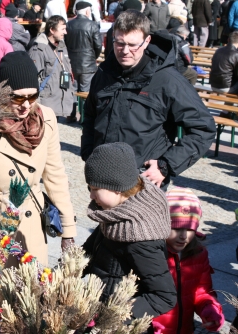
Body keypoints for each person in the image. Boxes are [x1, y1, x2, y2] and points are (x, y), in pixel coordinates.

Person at [81, 10, 216, 190]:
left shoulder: (168, 80)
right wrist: (89, 153)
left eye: (132, 44)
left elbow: (203, 128)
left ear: (147, 41)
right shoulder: (105, 73)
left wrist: (165, 165)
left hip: (143, 182)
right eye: (119, 43)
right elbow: (90, 115)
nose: (125, 51)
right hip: (103, 178)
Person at [0, 51, 77, 267]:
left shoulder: (46, 118)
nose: (26, 105)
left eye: (32, 97)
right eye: (18, 97)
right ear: (3, 93)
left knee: (30, 291)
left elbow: (55, 175)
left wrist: (68, 230)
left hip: (30, 219)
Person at [82, 142, 177, 320]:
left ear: (117, 187)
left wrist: (115, 317)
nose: (91, 196)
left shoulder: (140, 237)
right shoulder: (115, 213)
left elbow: (164, 296)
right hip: (95, 308)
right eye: (89, 188)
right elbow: (87, 252)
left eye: (95, 189)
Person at [152, 188, 225, 334]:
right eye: (176, 228)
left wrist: (209, 308)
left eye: (189, 229)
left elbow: (201, 290)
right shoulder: (151, 254)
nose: (183, 236)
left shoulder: (198, 254)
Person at [29, 15, 74, 118]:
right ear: (52, 30)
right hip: (46, 102)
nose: (65, 32)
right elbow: (32, 78)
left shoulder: (62, 46)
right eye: (62, 29)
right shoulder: (39, 49)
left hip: (60, 100)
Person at [65, 1, 101, 122]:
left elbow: (65, 43)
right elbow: (98, 46)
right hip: (88, 64)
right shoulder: (92, 25)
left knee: (72, 90)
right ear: (87, 11)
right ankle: (84, 117)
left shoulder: (68, 25)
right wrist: (93, 57)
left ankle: (71, 114)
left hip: (71, 62)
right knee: (86, 91)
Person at [210, 30, 238, 114]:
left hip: (213, 85)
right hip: (225, 87)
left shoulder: (218, 50)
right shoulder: (236, 54)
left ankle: (225, 111)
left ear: (228, 40)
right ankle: (231, 112)